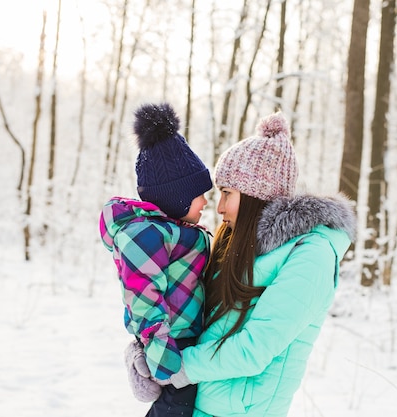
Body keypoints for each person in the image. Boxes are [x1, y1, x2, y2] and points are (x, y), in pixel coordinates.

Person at [128, 110, 356, 416]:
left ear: (254, 195)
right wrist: (146, 351)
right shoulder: (236, 243)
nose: (219, 207)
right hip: (190, 404)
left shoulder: (311, 255)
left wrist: (175, 368)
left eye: (227, 193)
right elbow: (192, 315)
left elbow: (253, 349)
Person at [99, 102, 213, 416]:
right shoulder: (145, 236)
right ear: (176, 196)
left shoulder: (175, 232)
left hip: (186, 342)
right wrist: (164, 358)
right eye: (199, 193)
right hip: (174, 347)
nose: (205, 201)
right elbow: (142, 299)